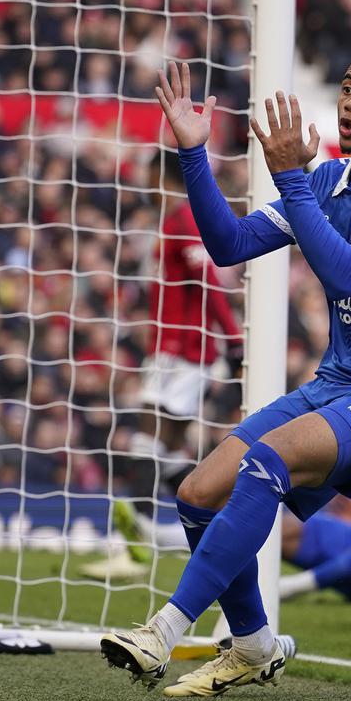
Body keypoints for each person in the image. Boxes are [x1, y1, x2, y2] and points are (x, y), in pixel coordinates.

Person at [101, 46, 351, 698]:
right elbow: (229, 246)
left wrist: (293, 180)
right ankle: (252, 645)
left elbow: (348, 273)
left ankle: (163, 631)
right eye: (347, 86)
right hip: (338, 383)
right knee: (196, 493)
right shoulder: (325, 183)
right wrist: (193, 154)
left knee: (264, 461)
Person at [115, 151, 243, 566]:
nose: (143, 187)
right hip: (180, 351)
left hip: (182, 352)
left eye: (147, 176)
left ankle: (134, 544)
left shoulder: (183, 218)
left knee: (145, 436)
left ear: (161, 176)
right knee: (167, 454)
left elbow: (207, 281)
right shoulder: (173, 221)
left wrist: (233, 337)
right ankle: (225, 523)